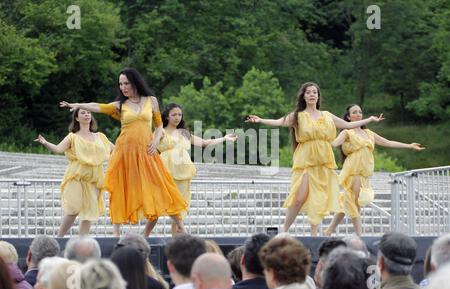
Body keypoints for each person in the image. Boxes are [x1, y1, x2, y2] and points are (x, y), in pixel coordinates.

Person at [59, 68, 188, 237]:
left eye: (126, 83)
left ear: (135, 82)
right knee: (120, 188)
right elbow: (98, 107)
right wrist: (78, 105)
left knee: (160, 184)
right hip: (124, 151)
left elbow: (158, 126)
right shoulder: (120, 105)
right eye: (120, 84)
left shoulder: (151, 101)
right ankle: (116, 231)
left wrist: (155, 141)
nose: (123, 87)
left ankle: (180, 225)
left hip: (146, 151)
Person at [246, 82, 384, 235]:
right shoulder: (298, 115)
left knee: (318, 200)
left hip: (324, 162)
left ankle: (315, 235)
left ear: (318, 96)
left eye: (314, 92)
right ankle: (284, 230)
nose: (312, 94)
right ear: (303, 96)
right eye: (308, 92)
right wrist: (260, 120)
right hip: (306, 161)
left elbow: (347, 124)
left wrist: (369, 120)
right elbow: (279, 122)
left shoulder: (327, 115)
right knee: (299, 198)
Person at [324, 104, 424, 236]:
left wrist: (409, 145)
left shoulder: (368, 133)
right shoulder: (346, 132)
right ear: (348, 117)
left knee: (347, 202)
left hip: (364, 173)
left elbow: (388, 142)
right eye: (354, 112)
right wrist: (322, 137)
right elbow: (335, 143)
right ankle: (359, 236)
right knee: (355, 202)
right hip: (353, 171)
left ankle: (329, 230)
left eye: (360, 111)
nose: (358, 114)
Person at [152, 103, 237, 236]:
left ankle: (177, 240)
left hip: (183, 176)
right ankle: (146, 235)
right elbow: (151, 149)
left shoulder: (184, 133)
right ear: (167, 117)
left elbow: (204, 142)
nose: (177, 117)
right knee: (160, 206)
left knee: (179, 209)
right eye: (174, 114)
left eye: (179, 114)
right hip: (166, 173)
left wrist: (224, 138)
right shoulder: (161, 131)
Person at [34, 108, 114, 236]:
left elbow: (116, 150)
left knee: (89, 212)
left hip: (95, 179)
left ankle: (82, 242)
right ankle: (59, 238)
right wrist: (45, 142)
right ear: (77, 118)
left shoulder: (101, 137)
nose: (87, 114)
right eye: (83, 113)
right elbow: (58, 149)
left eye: (88, 112)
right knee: (73, 209)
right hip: (76, 177)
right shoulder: (73, 137)